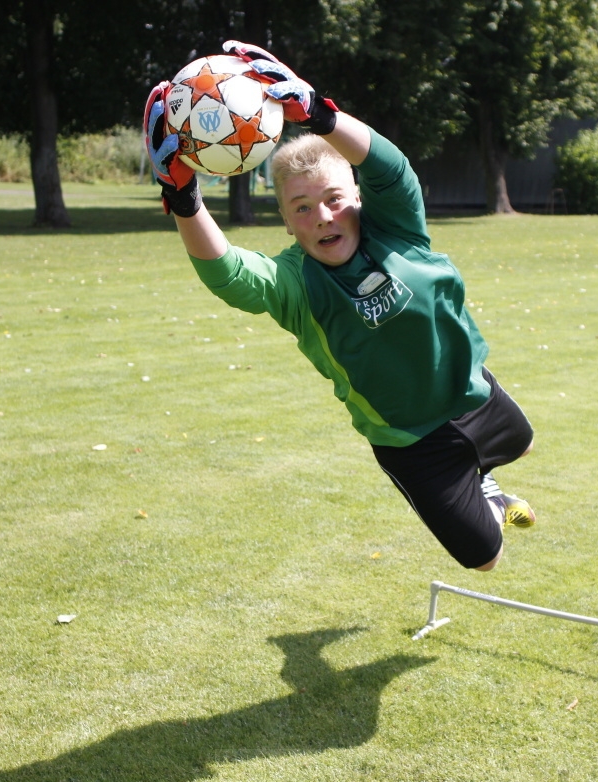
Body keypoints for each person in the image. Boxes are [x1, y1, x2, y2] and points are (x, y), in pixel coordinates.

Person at [144, 41, 535, 571]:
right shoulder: (294, 283)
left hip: (473, 394)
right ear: (284, 221)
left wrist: (318, 112)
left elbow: (390, 167)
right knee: (485, 559)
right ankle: (488, 497)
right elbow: (228, 274)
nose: (323, 217)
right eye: (301, 209)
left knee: (525, 444)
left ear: (356, 195)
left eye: (333, 199)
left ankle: (483, 473)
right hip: (411, 442)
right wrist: (184, 200)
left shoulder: (395, 225)